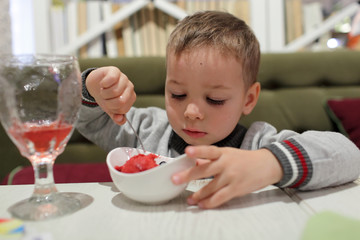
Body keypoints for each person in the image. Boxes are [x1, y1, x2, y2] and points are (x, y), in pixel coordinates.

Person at [77, 11, 360, 209]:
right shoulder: (148, 130)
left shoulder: (258, 143)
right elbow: (90, 121)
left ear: (249, 99)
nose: (191, 111)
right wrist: (91, 87)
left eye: (214, 99)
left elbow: (348, 154)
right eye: (177, 94)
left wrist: (269, 164)